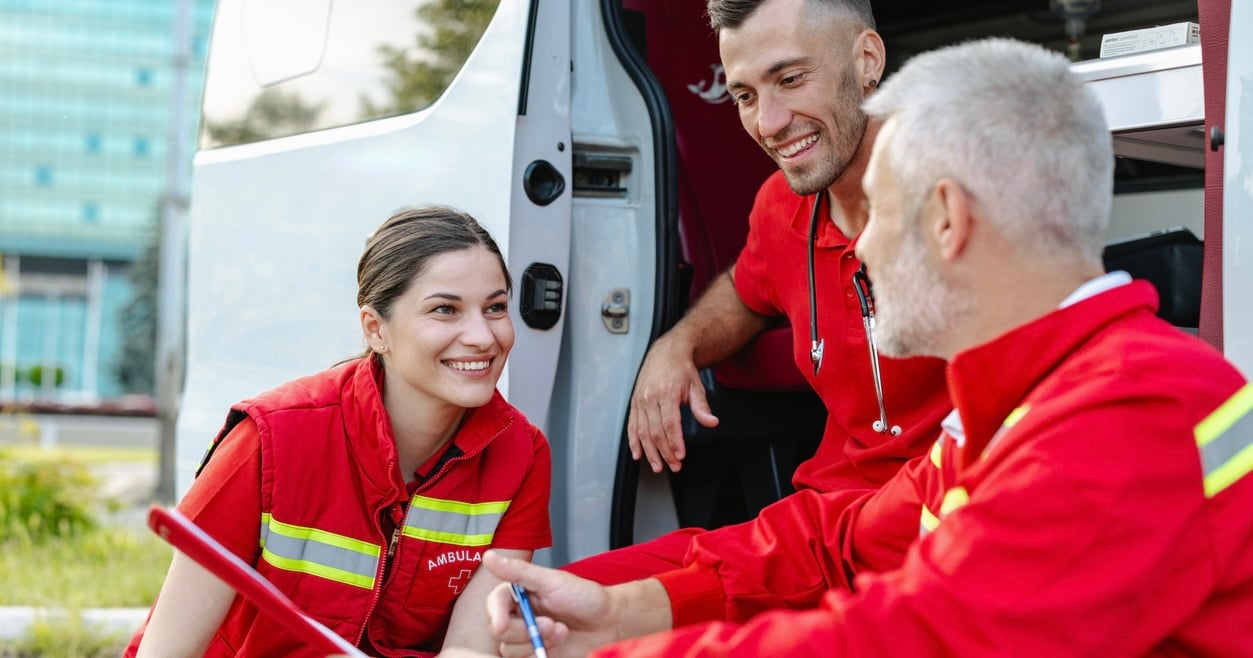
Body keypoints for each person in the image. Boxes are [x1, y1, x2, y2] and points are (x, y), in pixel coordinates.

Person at [482, 38, 1253, 657]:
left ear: (945, 219)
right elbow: (843, 543)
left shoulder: (1127, 409)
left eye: (876, 210)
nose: (857, 243)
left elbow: (924, 639)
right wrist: (623, 611)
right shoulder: (1019, 408)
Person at [565, 0, 951, 585]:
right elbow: (746, 292)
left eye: (790, 79)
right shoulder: (780, 203)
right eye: (744, 95)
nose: (768, 122)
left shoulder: (961, 193)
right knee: (540, 598)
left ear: (867, 60)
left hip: (934, 532)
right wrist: (679, 345)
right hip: (818, 531)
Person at [126, 206, 552, 657]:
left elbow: (471, 650)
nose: (483, 336)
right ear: (376, 329)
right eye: (445, 309)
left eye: (496, 307)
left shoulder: (522, 454)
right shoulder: (269, 438)